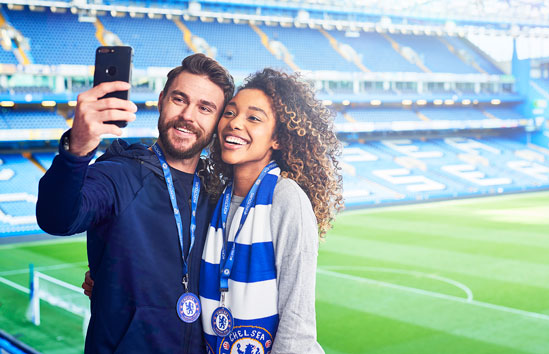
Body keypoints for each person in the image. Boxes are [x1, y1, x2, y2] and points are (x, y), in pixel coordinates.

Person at [36, 53, 234, 353]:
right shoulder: (119, 174)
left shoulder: (218, 192)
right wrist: (76, 149)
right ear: (160, 100)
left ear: (218, 121)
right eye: (179, 99)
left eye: (205, 108)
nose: (188, 116)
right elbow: (57, 218)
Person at [199, 68, 343, 354]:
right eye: (229, 113)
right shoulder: (215, 198)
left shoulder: (286, 198)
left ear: (277, 139)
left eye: (253, 118)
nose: (235, 124)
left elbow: (297, 325)